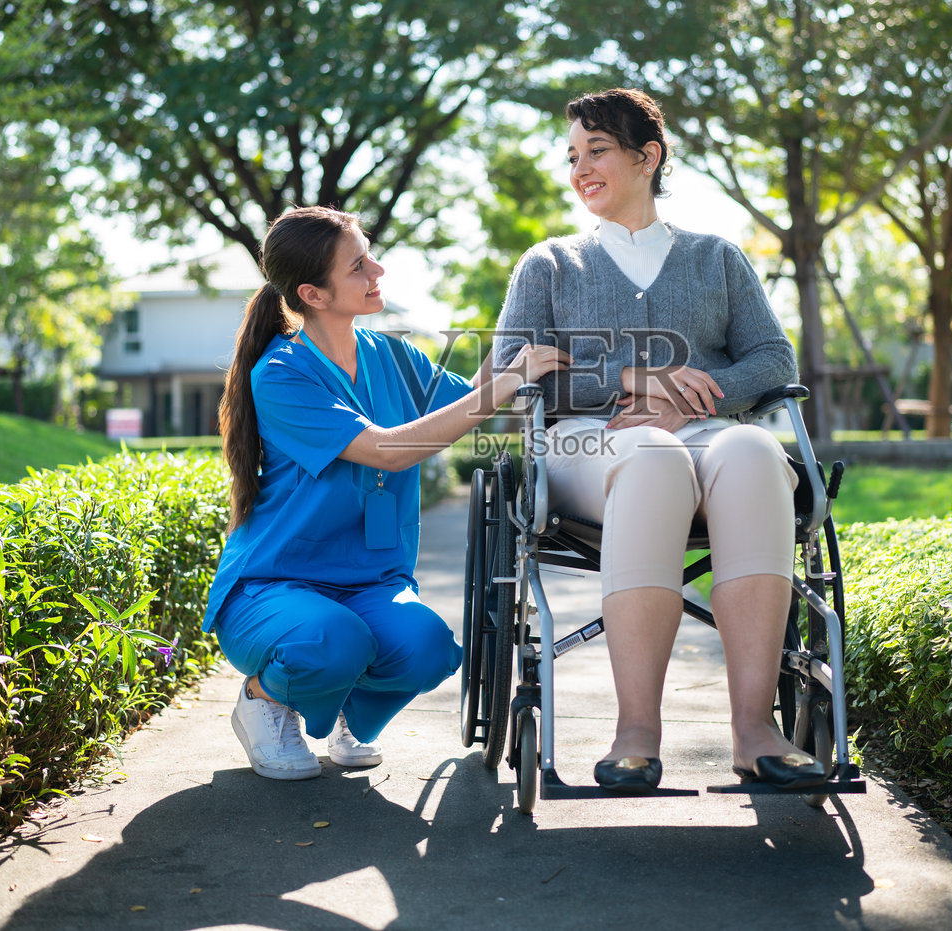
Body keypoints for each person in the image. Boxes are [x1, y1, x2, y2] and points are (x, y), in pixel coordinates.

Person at [493, 88, 820, 794]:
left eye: (597, 150)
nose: (580, 168)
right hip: (589, 444)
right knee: (654, 458)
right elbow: (507, 373)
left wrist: (693, 387)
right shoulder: (547, 265)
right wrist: (633, 376)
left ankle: (754, 728)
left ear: (649, 157)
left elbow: (773, 362)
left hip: (706, 434)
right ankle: (636, 729)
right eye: (573, 156)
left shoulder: (717, 260)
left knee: (759, 453)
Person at [207, 206, 568, 781]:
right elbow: (387, 449)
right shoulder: (281, 373)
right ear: (314, 294)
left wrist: (515, 358)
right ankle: (262, 699)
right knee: (333, 640)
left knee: (426, 646)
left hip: (371, 581)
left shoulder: (390, 354)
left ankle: (350, 707)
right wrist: (500, 387)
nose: (377, 269)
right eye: (358, 265)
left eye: (369, 253)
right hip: (275, 585)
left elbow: (463, 402)